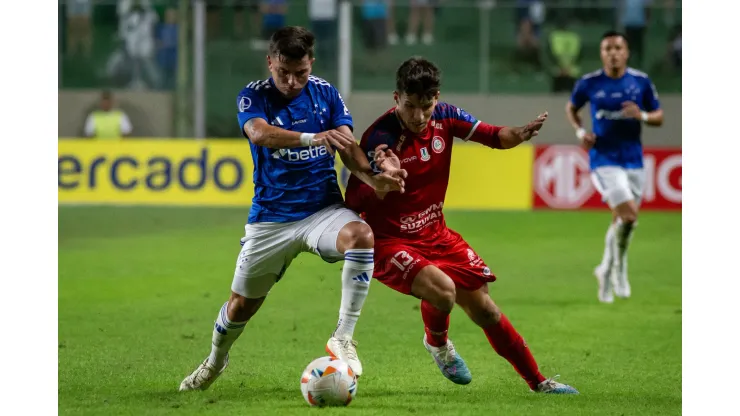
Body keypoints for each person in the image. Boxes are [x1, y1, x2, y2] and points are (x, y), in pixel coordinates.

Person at [179, 26, 408, 392]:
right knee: (240, 307)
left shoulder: (326, 94)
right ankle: (215, 361)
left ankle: (343, 337)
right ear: (270, 62)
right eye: (282, 72)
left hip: (322, 210)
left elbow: (348, 148)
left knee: (361, 235)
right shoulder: (252, 96)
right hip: (271, 219)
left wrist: (374, 177)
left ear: (311, 63)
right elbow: (259, 133)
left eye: (300, 73)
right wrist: (311, 137)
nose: (291, 81)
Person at [344, 57, 579, 394]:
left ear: (436, 98)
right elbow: (355, 202)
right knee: (443, 291)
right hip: (389, 241)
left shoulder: (446, 116)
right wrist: (383, 181)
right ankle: (438, 345)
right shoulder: (379, 137)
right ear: (397, 98)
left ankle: (539, 383)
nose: (418, 116)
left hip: (436, 233)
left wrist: (520, 134)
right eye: (410, 106)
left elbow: (496, 136)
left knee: (486, 309)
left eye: (426, 106)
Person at [565, 31, 664, 303]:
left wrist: (641, 114)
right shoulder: (589, 83)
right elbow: (572, 108)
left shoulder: (640, 82)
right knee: (629, 216)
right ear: (601, 53)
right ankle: (620, 270)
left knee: (622, 221)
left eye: (617, 47)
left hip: (633, 160)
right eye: (607, 48)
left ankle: (605, 271)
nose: (613, 53)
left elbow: (659, 116)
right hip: (604, 159)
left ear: (627, 52)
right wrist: (580, 132)